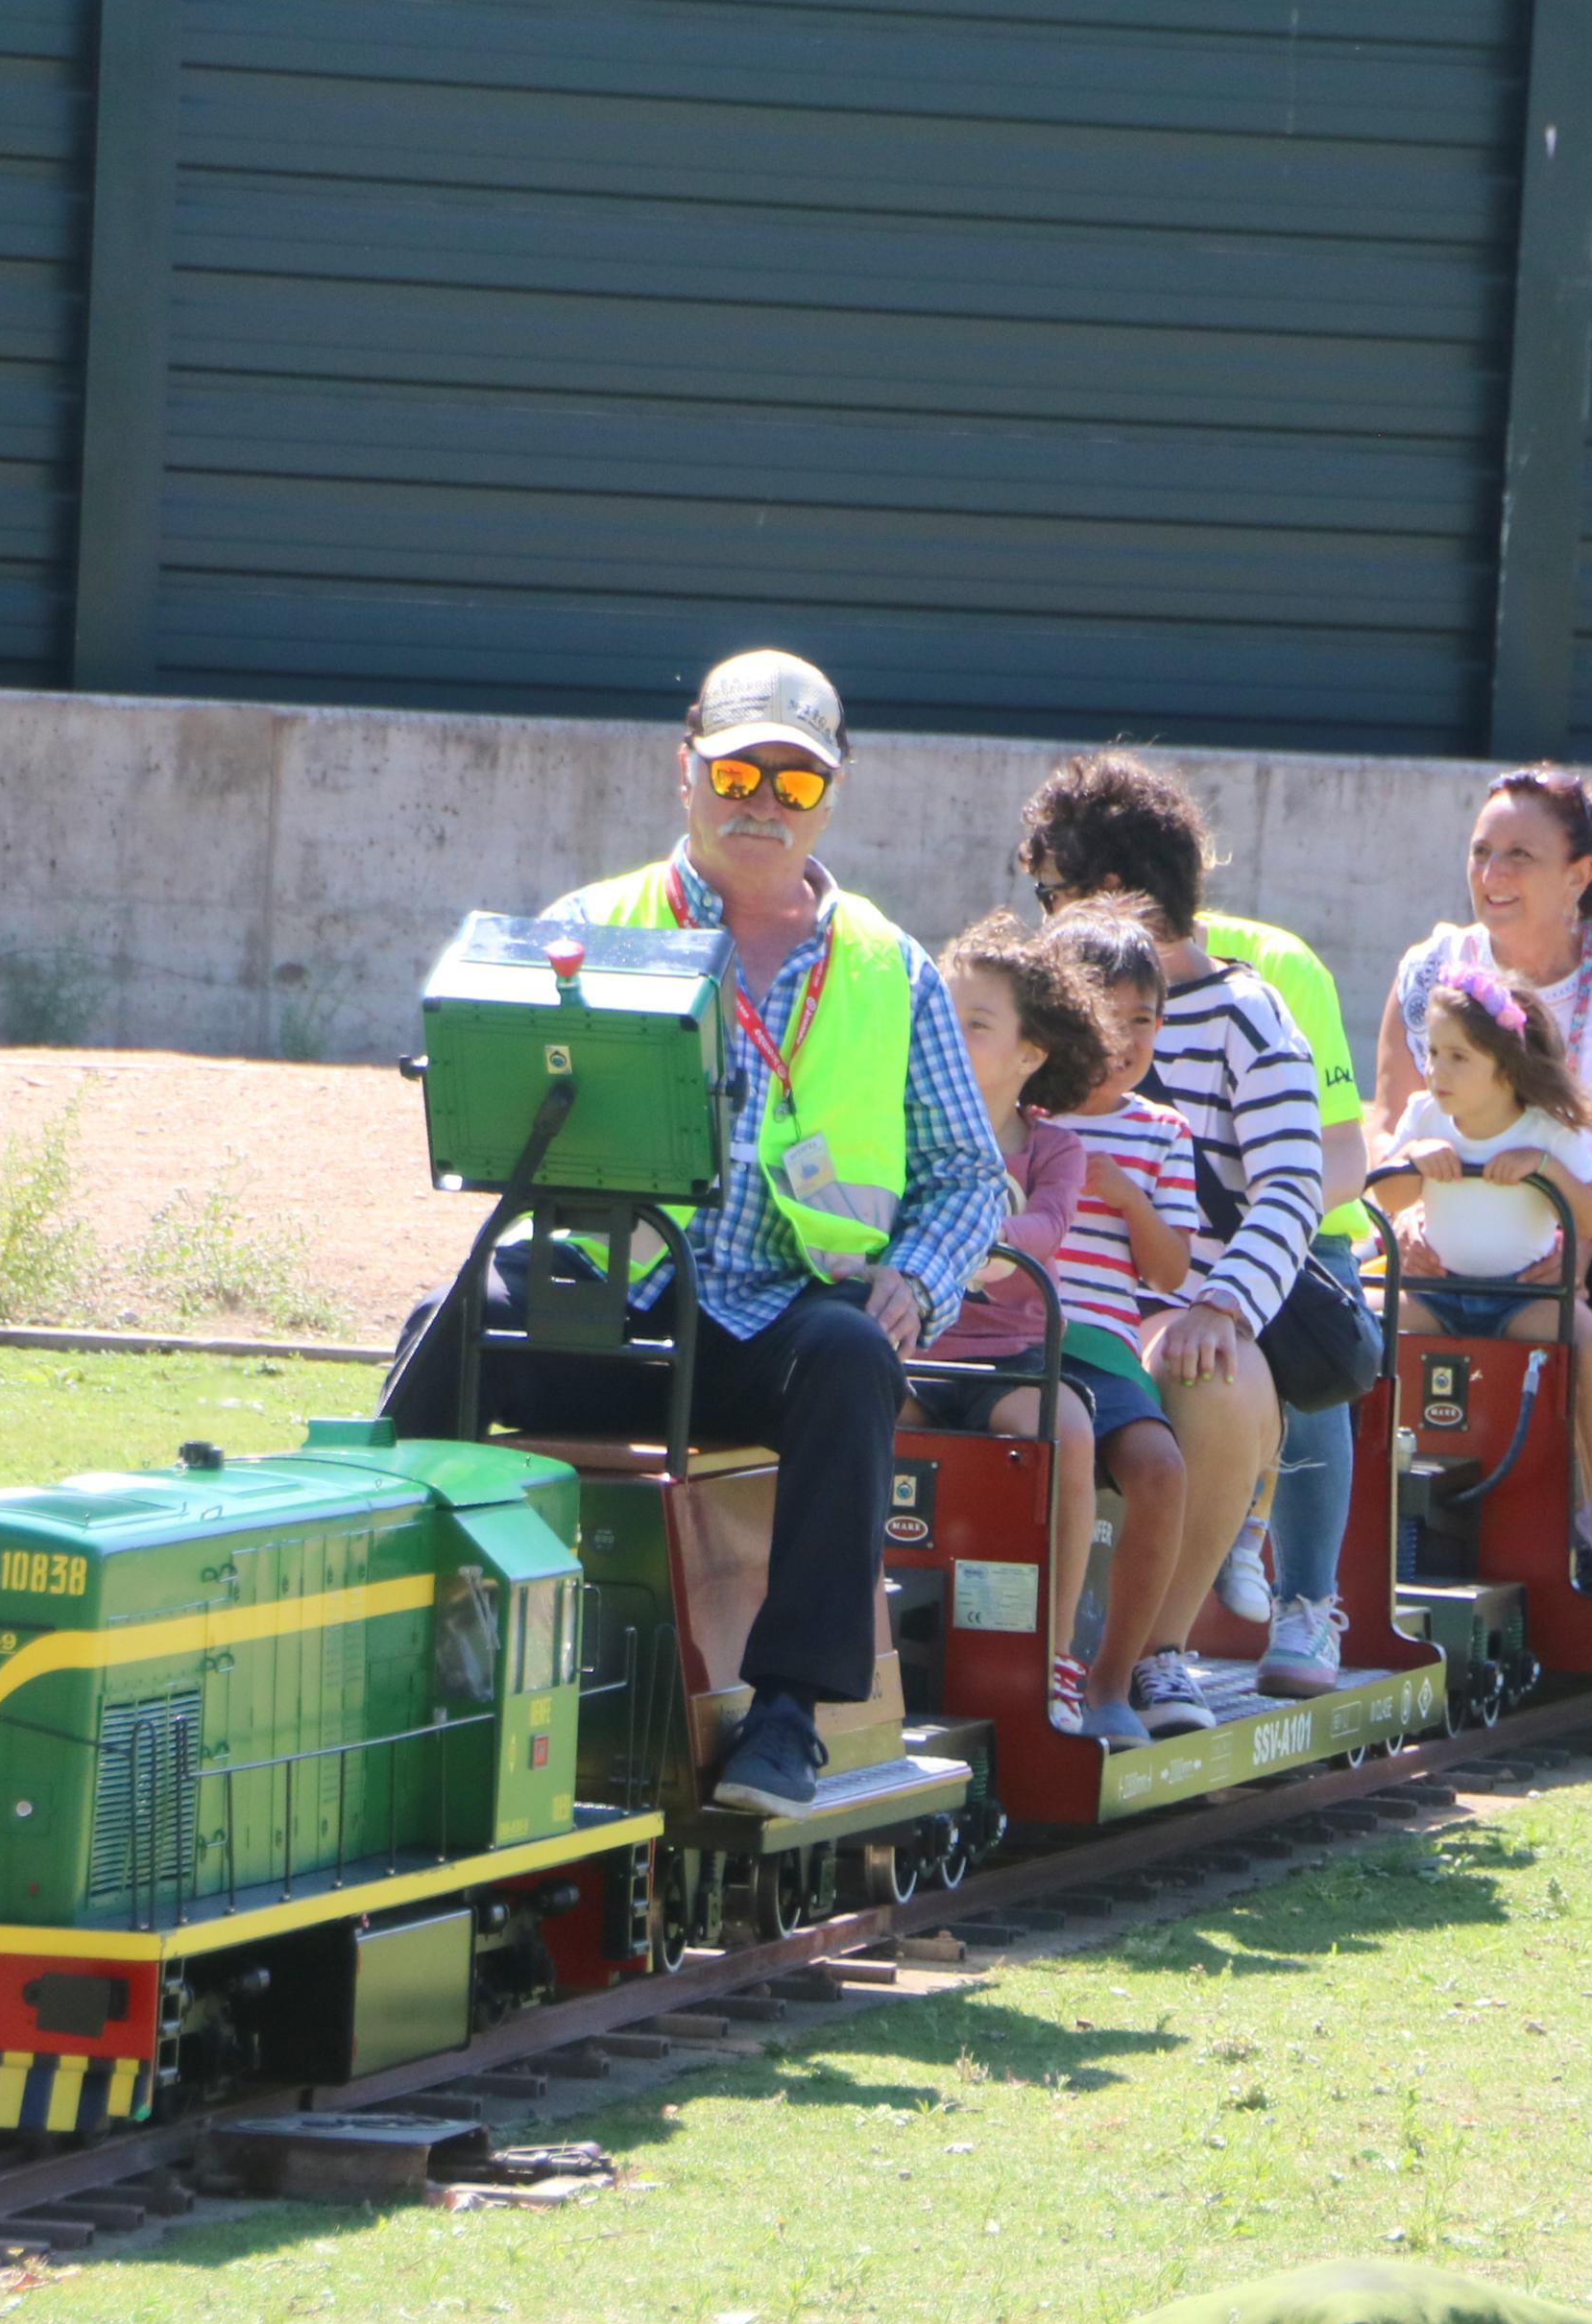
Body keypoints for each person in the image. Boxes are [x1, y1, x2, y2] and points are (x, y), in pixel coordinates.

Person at [378, 651, 1007, 1822]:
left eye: (795, 783)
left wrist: (916, 1279)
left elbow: (971, 1175)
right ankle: (372, 1635)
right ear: (686, 770)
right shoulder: (586, 927)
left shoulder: (890, 968)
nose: (761, 802)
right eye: (735, 772)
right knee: (445, 1322)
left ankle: (784, 1721)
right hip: (605, 1308)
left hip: (774, 1327)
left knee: (854, 1359)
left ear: (831, 794)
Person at [1015, 755, 1323, 1722]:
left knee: (1211, 1373)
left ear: (1114, 895)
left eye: (1051, 891)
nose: (1040, 911)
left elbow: (1289, 1186)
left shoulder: (1245, 1013)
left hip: (1188, 1295)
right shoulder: (1030, 1012)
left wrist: (1218, 1301)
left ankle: (1155, 1650)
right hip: (1050, 1291)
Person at [1374, 767, 1592, 1593]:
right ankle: (1371, 1516)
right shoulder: (1431, 970)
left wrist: (1574, 1251)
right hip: (1454, 1218)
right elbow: (1389, 1120)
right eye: (1481, 851)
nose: (1492, 874)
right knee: (1358, 1305)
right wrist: (1410, 1212)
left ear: (1579, 873)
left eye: (1518, 854)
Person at [1364, 973, 1592, 1594]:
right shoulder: (1426, 1116)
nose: (1437, 1068)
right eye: (1433, 1052)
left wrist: (1542, 1169)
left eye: (1458, 1056)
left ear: (1505, 1066)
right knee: (1363, 1328)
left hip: (1524, 1294)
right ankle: (1359, 1494)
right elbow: (1382, 1197)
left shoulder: (1547, 1128)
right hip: (1436, 1289)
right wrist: (1413, 1162)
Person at [904, 916, 1115, 1689]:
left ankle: (1054, 1647)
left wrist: (966, 1240)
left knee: (1062, 1428)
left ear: (1029, 1054)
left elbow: (1042, 1228)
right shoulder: (903, 1132)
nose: (949, 1037)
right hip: (914, 1350)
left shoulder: (1054, 1148)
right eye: (940, 1021)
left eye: (975, 1025)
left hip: (1008, 1364)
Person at [1033, 903, 1205, 1746]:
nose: (1131, 1037)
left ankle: (1106, 1679)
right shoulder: (1021, 1112)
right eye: (1111, 1015)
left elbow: (1170, 1271)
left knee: (1160, 1469)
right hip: (1005, 1338)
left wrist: (1125, 1195)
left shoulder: (1160, 1131)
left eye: (1147, 1018)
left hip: (1099, 1344)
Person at [1194, 902, 1376, 1689]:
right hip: (1163, 1228)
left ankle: (1306, 1602)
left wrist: (1257, 1238)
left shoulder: (1279, 963)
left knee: (1304, 1350)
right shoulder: (1076, 960)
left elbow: (1343, 1153)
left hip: (1299, 1229)